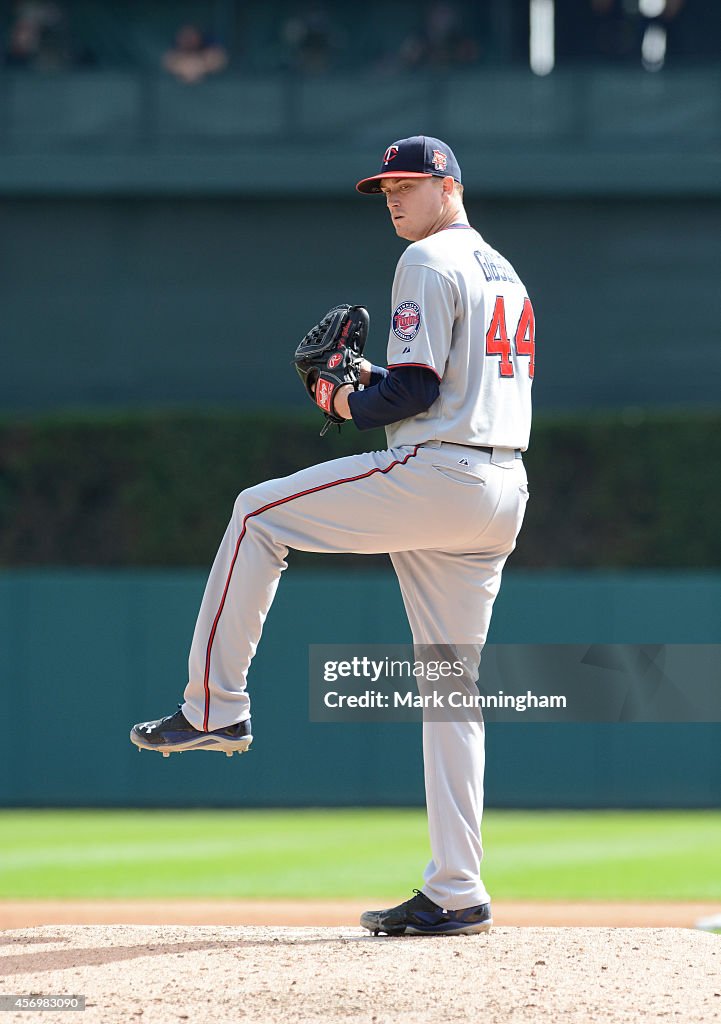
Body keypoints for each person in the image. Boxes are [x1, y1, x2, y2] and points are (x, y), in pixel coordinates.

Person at [131, 135, 534, 937]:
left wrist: (341, 401)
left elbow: (413, 390)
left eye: (408, 184)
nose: (392, 196)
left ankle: (215, 707)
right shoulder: (503, 270)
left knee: (255, 512)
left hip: (441, 475)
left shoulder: (425, 261)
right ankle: (457, 890)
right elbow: (434, 387)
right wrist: (367, 383)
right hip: (503, 487)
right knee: (450, 688)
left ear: (448, 185)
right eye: (384, 185)